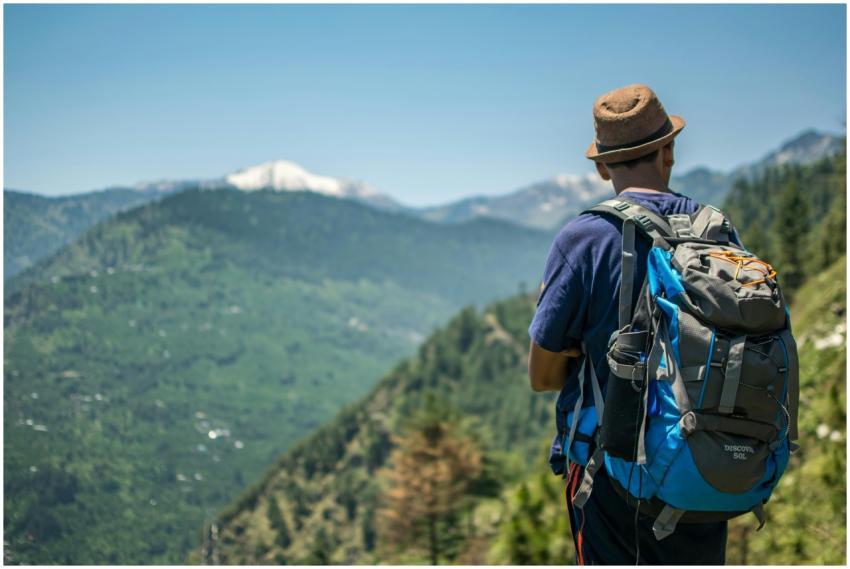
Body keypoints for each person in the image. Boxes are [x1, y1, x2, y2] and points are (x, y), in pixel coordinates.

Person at [527, 84, 731, 564]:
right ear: (669, 151)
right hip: (703, 468)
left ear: (602, 167)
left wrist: (580, 348)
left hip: (612, 476)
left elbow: (542, 377)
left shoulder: (584, 239)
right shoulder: (716, 232)